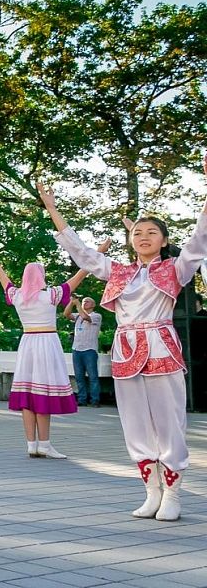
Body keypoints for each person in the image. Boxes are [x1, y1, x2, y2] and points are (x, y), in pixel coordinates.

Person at [40, 166, 207, 522]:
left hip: (161, 347)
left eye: (151, 232)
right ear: (130, 239)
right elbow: (83, 254)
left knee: (169, 421)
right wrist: (53, 210)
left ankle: (173, 493)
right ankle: (151, 491)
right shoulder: (119, 272)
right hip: (127, 352)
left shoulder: (176, 268)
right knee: (134, 423)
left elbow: (198, 240)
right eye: (137, 232)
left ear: (163, 240)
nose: (143, 236)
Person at [0, 237, 101, 459]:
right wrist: (98, 253)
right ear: (41, 277)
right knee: (43, 393)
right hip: (47, 344)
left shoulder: (17, 296)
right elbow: (80, 275)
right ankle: (44, 444)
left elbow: (1, 275)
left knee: (28, 394)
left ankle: (31, 443)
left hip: (28, 343)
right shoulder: (51, 296)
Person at [65, 295, 103, 407]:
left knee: (92, 376)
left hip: (89, 350)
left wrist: (77, 305)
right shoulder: (77, 316)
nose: (85, 302)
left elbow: (85, 317)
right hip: (77, 349)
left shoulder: (96, 316)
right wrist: (71, 302)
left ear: (93, 305)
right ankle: (82, 399)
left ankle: (95, 400)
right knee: (79, 376)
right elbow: (66, 314)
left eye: (88, 301)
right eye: (84, 301)